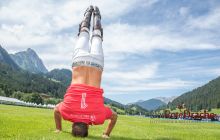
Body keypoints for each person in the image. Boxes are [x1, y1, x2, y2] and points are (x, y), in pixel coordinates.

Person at [53, 5, 118, 138]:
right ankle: (88, 14)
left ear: (88, 126)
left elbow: (115, 116)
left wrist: (106, 134)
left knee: (97, 36)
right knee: (83, 33)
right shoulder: (66, 112)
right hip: (79, 63)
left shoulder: (98, 117)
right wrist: (58, 128)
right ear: (72, 125)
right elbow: (55, 110)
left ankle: (97, 17)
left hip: (96, 65)